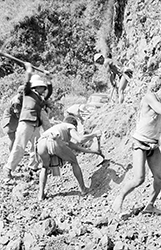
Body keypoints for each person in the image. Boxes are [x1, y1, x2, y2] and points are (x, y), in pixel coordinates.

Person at [112, 76, 161, 215]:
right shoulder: (150, 97)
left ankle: (150, 205)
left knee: (159, 177)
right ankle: (120, 197)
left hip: (153, 144)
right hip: (140, 142)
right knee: (139, 179)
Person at [3, 62, 53, 181]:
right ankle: (8, 169)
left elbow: (49, 92)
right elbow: (26, 83)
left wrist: (48, 78)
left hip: (35, 125)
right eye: (41, 87)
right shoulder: (27, 94)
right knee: (19, 147)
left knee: (35, 148)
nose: (43, 89)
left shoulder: (40, 98)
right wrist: (29, 71)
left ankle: (33, 168)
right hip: (25, 123)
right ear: (35, 87)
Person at [35, 115, 102, 201]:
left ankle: (41, 195)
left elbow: (77, 147)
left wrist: (94, 152)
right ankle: (83, 189)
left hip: (40, 143)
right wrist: (94, 134)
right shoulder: (69, 126)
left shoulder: (58, 129)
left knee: (44, 167)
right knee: (74, 162)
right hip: (53, 140)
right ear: (74, 124)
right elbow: (80, 139)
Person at [1, 85, 24, 151]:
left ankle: (17, 151)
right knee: (13, 138)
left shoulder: (19, 98)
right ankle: (12, 154)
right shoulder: (16, 101)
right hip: (10, 121)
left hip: (12, 120)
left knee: (16, 138)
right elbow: (18, 114)